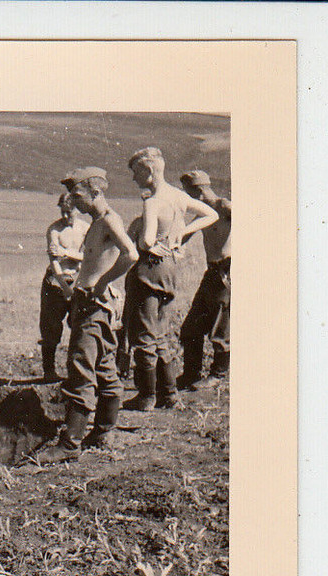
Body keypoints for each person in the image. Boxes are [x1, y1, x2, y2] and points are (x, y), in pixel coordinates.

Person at [37, 167, 139, 461]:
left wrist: (104, 282)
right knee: (105, 366)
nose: (74, 201)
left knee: (81, 367)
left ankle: (70, 445)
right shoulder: (98, 221)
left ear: (96, 192)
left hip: (93, 305)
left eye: (78, 194)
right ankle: (103, 431)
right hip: (93, 303)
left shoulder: (108, 220)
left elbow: (130, 254)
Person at [122, 147, 218, 411]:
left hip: (149, 270)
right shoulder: (179, 196)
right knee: (162, 332)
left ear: (149, 171)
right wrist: (182, 233)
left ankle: (146, 396)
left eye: (136, 172)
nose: (134, 178)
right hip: (169, 269)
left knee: (143, 334)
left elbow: (147, 240)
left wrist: (144, 239)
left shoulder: (151, 201)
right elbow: (212, 214)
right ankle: (169, 395)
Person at [176, 169, 231, 389]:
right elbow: (183, 236)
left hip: (227, 272)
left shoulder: (226, 207)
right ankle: (191, 374)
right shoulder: (204, 214)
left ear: (198, 191)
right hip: (211, 273)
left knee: (221, 327)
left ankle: (218, 374)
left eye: (188, 193)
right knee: (191, 327)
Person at [39, 192, 89, 381]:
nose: (66, 216)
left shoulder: (86, 229)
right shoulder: (54, 230)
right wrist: (65, 287)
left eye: (70, 212)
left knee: (79, 327)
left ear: (78, 209)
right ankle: (49, 371)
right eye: (63, 212)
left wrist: (66, 252)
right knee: (50, 327)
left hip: (78, 279)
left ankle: (76, 371)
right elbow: (55, 262)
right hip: (56, 282)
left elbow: (88, 258)